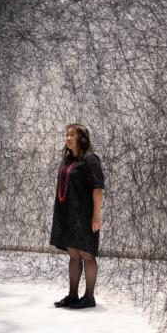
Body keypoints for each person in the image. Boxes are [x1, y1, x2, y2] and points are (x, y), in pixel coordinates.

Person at [49, 123, 105, 309]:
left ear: (81, 138)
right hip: (69, 216)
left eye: (72, 135)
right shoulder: (68, 160)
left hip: (84, 215)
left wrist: (96, 216)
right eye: (66, 134)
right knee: (73, 255)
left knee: (87, 255)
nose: (68, 138)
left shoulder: (90, 159)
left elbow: (97, 189)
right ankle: (73, 296)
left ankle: (89, 297)